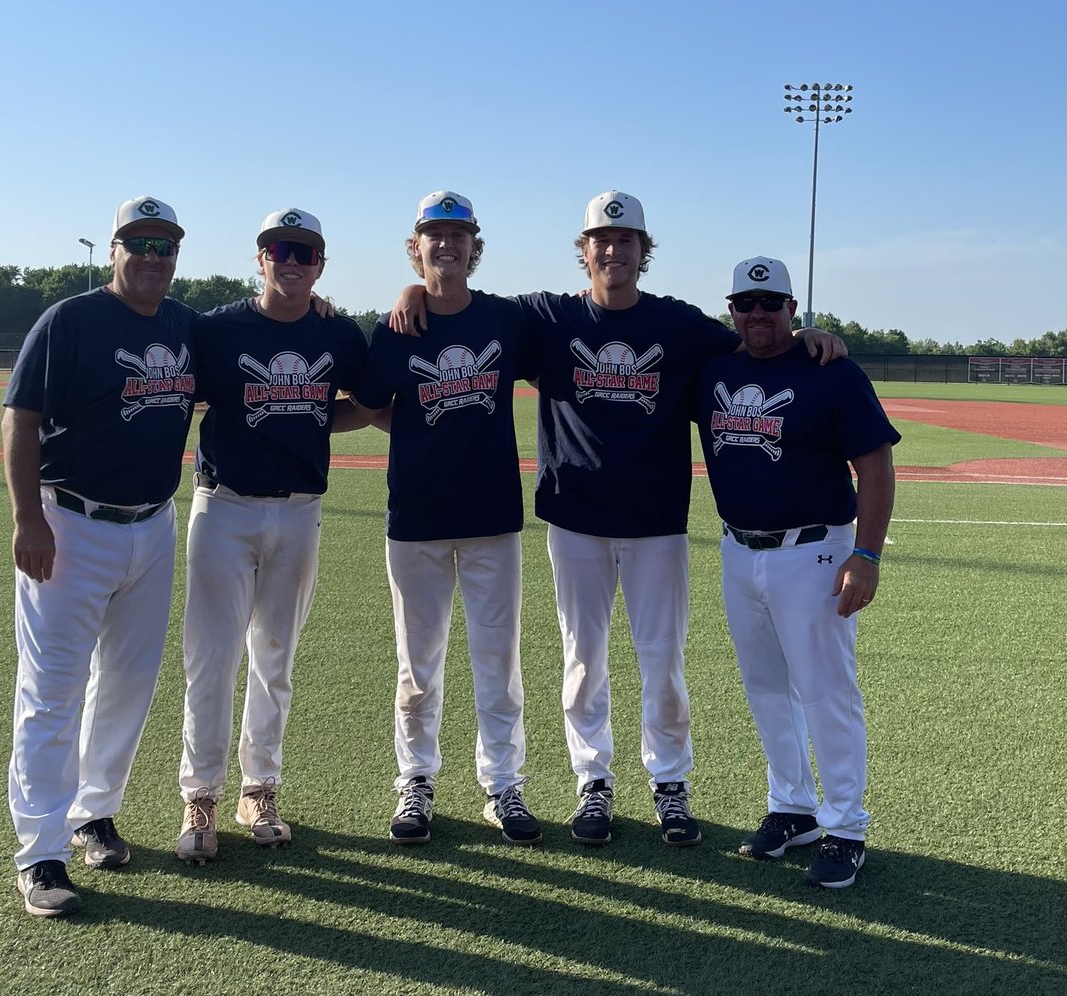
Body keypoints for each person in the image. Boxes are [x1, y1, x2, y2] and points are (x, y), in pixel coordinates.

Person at [392, 191, 846, 847]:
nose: (613, 250)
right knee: (583, 660)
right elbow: (460, 308)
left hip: (656, 522)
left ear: (643, 251)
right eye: (601, 240)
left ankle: (670, 782)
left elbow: (755, 344)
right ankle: (593, 782)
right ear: (584, 252)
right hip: (575, 518)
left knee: (662, 662)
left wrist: (802, 336)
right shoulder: (546, 316)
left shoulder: (678, 324)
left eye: (625, 240)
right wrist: (414, 288)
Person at [3, 196, 195, 916]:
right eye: (139, 242)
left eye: (164, 245)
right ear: (114, 249)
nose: (152, 256)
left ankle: (94, 813)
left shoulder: (184, 324)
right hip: (70, 522)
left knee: (128, 681)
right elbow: (19, 417)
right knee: (51, 690)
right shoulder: (71, 319)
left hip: (153, 524)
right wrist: (28, 517)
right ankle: (40, 852)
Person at [696, 256, 898, 888]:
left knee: (826, 691)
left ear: (792, 308)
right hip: (738, 550)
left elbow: (875, 466)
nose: (757, 314)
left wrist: (867, 555)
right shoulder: (715, 370)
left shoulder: (831, 371)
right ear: (732, 310)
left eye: (770, 303)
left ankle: (847, 827)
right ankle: (792, 807)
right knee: (765, 688)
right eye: (745, 303)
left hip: (814, 552)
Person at [175, 208, 368, 863]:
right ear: (260, 258)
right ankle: (200, 795)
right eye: (279, 250)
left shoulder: (337, 332)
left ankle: (258, 789)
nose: (291, 261)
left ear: (320, 264)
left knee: (275, 657)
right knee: (211, 656)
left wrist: (307, 416)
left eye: (304, 253)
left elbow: (367, 403)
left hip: (299, 509)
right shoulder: (217, 329)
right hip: (223, 506)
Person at [353, 190, 541, 846]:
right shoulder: (395, 328)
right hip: (417, 516)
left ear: (473, 247)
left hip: (492, 516)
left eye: (458, 235)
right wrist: (417, 428)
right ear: (417, 247)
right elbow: (369, 402)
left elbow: (562, 352)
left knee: (498, 660)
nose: (446, 244)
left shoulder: (505, 320)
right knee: (417, 664)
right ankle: (416, 780)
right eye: (434, 234)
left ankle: (504, 784)